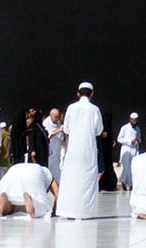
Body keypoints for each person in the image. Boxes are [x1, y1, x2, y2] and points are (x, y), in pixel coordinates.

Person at [55, 82, 103, 219]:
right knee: (87, 180)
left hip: (74, 148)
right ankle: (85, 212)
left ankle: (68, 210)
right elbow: (99, 130)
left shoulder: (71, 108)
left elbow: (66, 128)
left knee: (72, 178)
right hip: (88, 148)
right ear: (92, 94)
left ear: (78, 93)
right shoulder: (94, 109)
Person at [116, 113, 141, 190]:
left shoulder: (138, 129)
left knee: (134, 167)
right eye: (133, 120)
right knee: (126, 167)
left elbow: (140, 138)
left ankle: (132, 184)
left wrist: (137, 140)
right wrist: (130, 141)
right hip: (126, 149)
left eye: (135, 120)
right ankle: (124, 181)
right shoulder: (124, 128)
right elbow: (119, 139)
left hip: (135, 149)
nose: (134, 121)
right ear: (130, 119)